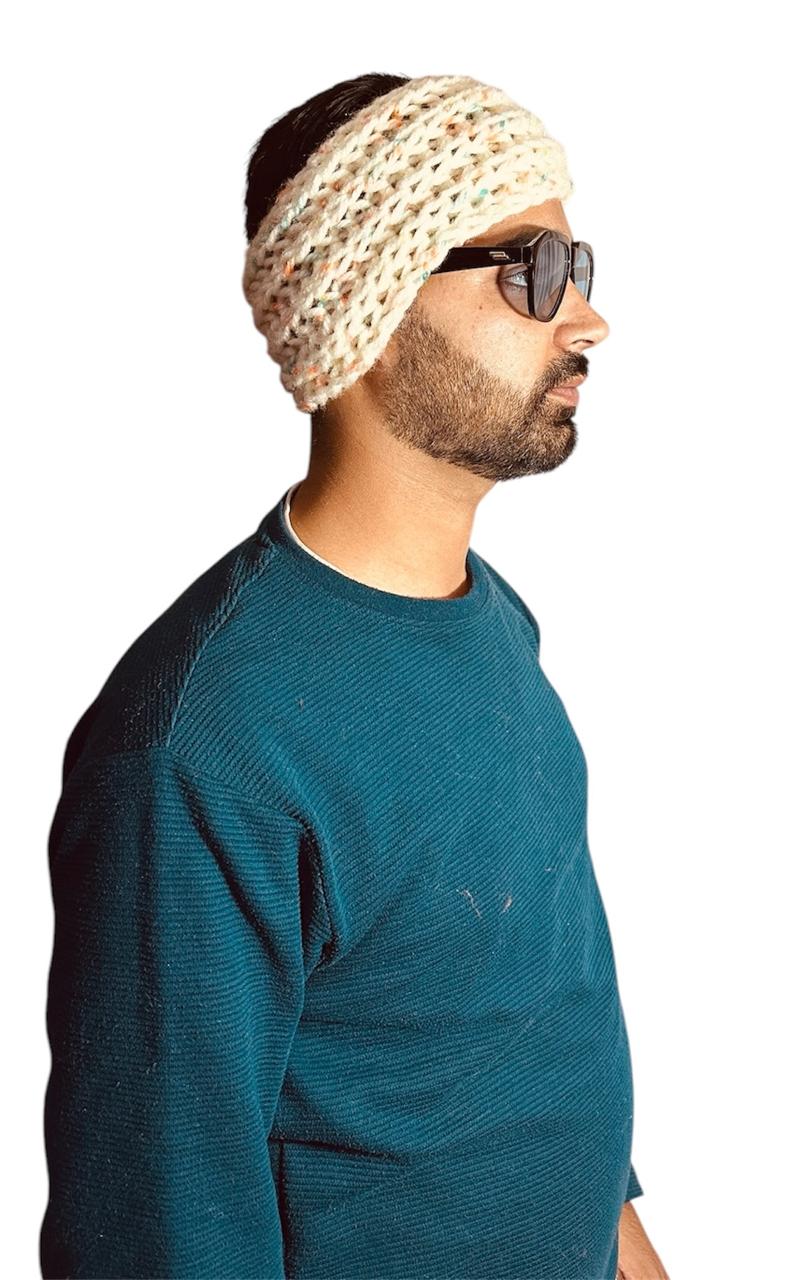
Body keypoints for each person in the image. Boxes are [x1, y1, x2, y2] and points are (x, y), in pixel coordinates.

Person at [40, 72, 669, 1279]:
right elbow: (160, 1229)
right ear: (371, 305)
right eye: (533, 270)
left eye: (579, 265)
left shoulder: (493, 623)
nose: (587, 320)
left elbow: (534, 1033)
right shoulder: (200, 746)